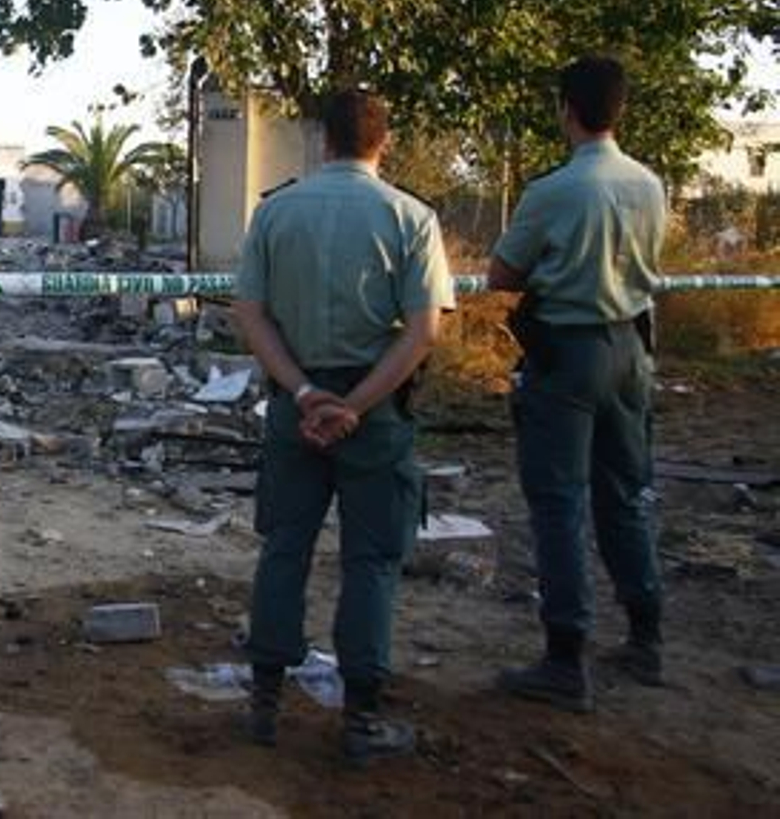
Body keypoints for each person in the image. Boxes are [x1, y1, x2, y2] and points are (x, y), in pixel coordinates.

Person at [232, 88, 455, 766]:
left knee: (284, 548)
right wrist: (354, 405)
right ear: (383, 142)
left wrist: (303, 392)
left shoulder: (275, 213)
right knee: (372, 561)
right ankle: (360, 720)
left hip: (294, 410)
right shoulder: (412, 218)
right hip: (376, 413)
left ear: (319, 138)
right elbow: (422, 332)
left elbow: (249, 313)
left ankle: (264, 704)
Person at [490, 55, 667, 712]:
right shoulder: (650, 185)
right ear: (619, 110)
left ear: (566, 108)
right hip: (631, 350)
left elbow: (502, 275)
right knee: (622, 493)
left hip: (566, 353)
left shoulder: (555, 190)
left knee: (558, 501)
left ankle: (566, 657)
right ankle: (646, 635)